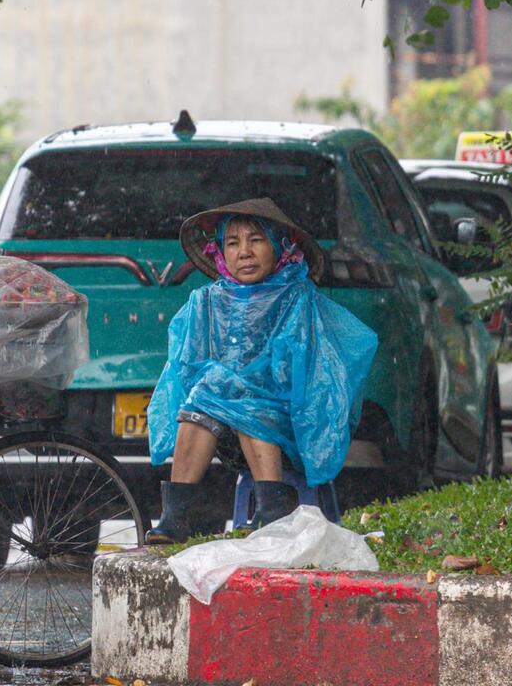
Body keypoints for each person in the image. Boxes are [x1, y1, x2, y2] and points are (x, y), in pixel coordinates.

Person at [143, 198, 378, 544]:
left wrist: (245, 386)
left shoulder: (296, 298)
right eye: (233, 243)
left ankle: (273, 511)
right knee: (198, 405)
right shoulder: (206, 301)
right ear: (221, 252)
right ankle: (176, 518)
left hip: (289, 424)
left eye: (256, 240)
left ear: (280, 246)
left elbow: (306, 371)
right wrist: (225, 386)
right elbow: (187, 368)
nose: (245, 252)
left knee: (250, 401)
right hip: (220, 428)